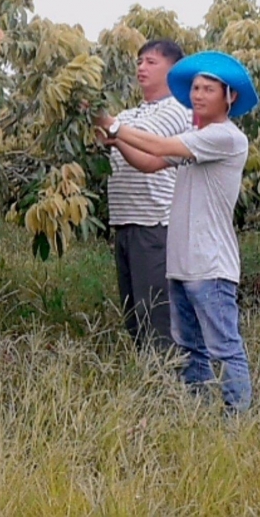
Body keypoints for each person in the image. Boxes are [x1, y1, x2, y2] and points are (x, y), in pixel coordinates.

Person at [97, 51, 257, 414]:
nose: (198, 95)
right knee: (192, 350)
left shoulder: (225, 137)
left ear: (229, 96)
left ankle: (237, 421)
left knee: (225, 347)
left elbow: (158, 146)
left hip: (210, 265)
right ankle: (197, 413)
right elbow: (150, 163)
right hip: (182, 263)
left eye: (208, 89)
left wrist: (115, 126)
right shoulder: (194, 139)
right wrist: (117, 140)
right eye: (196, 88)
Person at [105, 40, 191, 350]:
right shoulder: (129, 114)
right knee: (134, 312)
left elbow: (146, 144)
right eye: (140, 61)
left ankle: (167, 380)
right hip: (126, 220)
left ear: (172, 70)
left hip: (155, 223)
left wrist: (111, 129)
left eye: (152, 62)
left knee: (156, 312)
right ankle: (148, 378)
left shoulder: (179, 109)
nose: (142, 67)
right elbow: (114, 132)